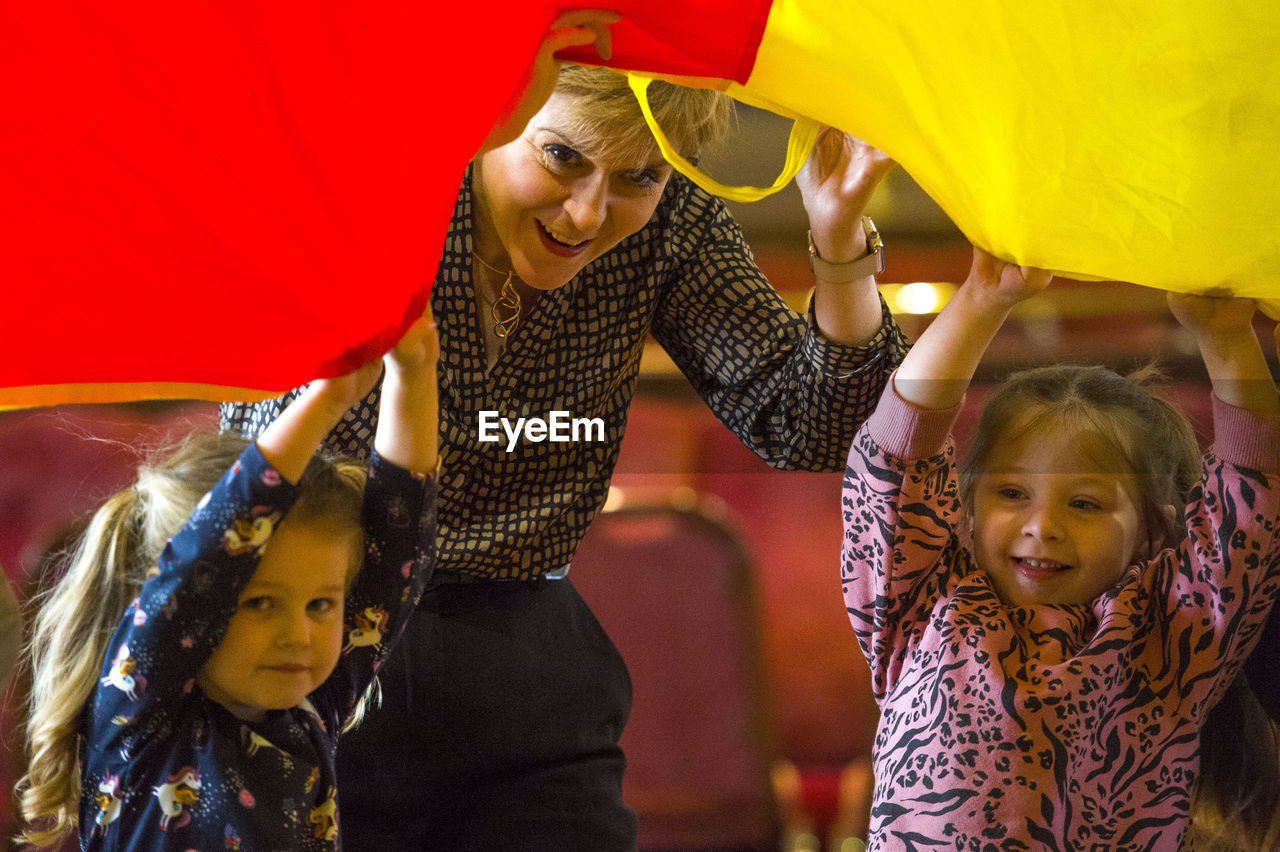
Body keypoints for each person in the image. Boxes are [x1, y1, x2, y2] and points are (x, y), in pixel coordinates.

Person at [220, 64, 908, 849]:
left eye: (638, 177)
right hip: (312, 632)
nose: (587, 213)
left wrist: (839, 242)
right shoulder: (372, 187)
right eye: (562, 157)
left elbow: (811, 428)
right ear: (488, 120)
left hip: (524, 655)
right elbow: (270, 462)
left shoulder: (671, 219)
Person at [840, 248, 1280, 848]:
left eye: (1085, 504)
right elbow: (891, 465)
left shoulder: (1174, 637)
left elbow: (1253, 502)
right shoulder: (917, 610)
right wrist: (977, 302)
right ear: (966, 511)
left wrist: (1228, 339)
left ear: (1152, 532)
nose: (1041, 525)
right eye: (1013, 492)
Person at [16, 314, 439, 850]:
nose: (297, 634)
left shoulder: (308, 712)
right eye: (260, 602)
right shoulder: (140, 708)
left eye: (320, 605)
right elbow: (210, 557)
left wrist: (415, 375)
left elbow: (397, 560)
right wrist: (324, 402)